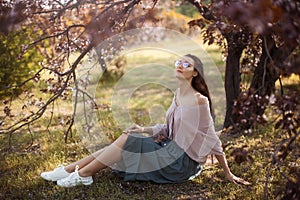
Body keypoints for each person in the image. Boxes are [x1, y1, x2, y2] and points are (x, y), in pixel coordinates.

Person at [41, 54, 251, 187]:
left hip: (180, 163)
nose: (180, 65)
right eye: (178, 62)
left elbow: (213, 138)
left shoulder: (200, 102)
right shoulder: (178, 94)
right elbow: (168, 128)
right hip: (168, 148)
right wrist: (143, 128)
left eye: (186, 64)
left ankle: (84, 174)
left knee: (127, 141)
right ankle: (69, 169)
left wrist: (228, 173)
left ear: (195, 73)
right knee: (128, 137)